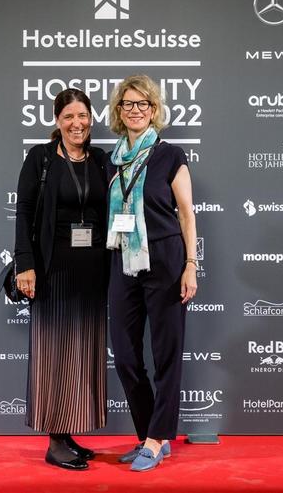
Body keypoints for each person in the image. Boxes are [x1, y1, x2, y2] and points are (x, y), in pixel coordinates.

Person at [105, 75, 198, 472]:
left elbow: (186, 214)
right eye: (128, 104)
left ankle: (158, 438)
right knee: (125, 356)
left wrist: (191, 264)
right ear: (118, 111)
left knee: (166, 354)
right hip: (122, 259)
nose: (135, 110)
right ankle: (149, 434)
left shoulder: (170, 155)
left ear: (154, 110)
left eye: (143, 104)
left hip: (165, 259)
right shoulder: (110, 160)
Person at [13, 88, 108, 471]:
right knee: (54, 353)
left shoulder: (100, 160)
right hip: (53, 270)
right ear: (57, 120)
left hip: (94, 271)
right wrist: (25, 263)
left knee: (82, 352)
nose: (76, 123)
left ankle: (66, 433)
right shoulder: (41, 158)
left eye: (82, 115)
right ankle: (54, 442)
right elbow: (23, 211)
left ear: (91, 119)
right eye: (68, 116)